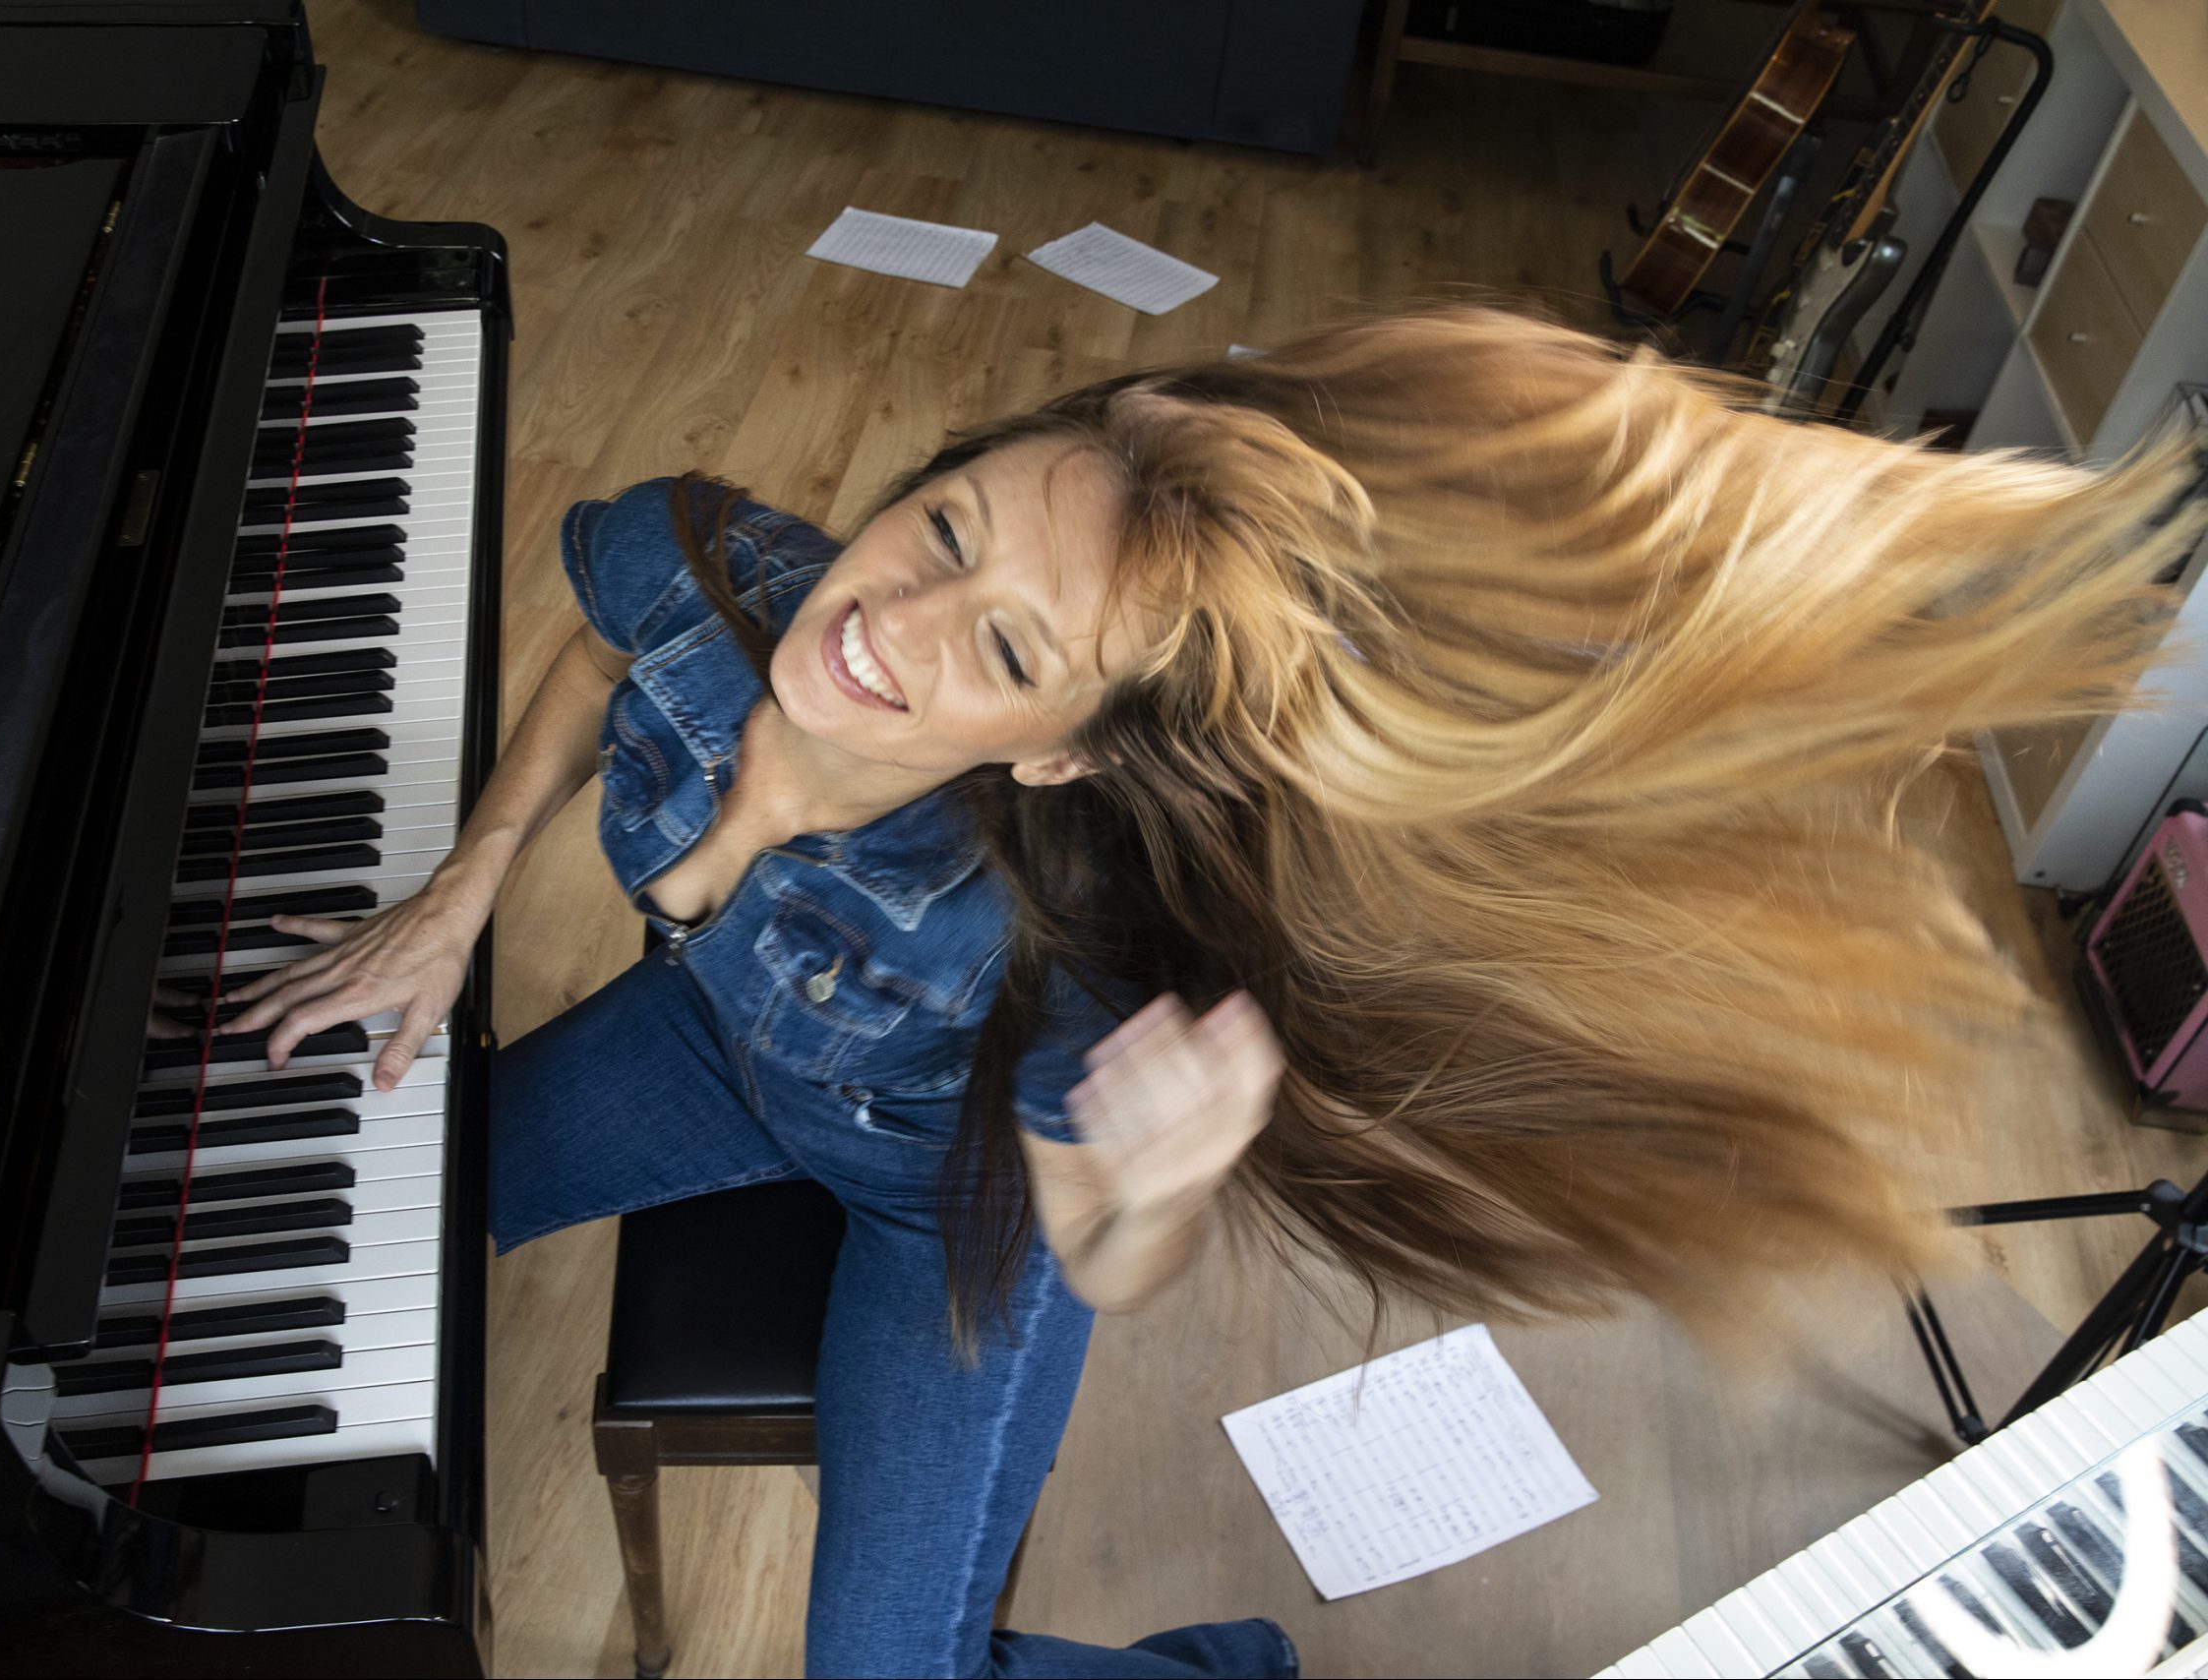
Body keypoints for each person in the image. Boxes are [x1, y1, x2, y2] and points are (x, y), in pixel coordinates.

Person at [218, 305, 2197, 1678]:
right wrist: (466, 885)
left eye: (996, 642)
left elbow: (1100, 1253)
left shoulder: (1065, 943)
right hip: (714, 1056)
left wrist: (1143, 1190)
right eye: (938, 532)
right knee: (351, 1198)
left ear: (1065, 748)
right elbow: (591, 648)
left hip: (951, 1201)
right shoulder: (711, 565)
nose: (883, 625)